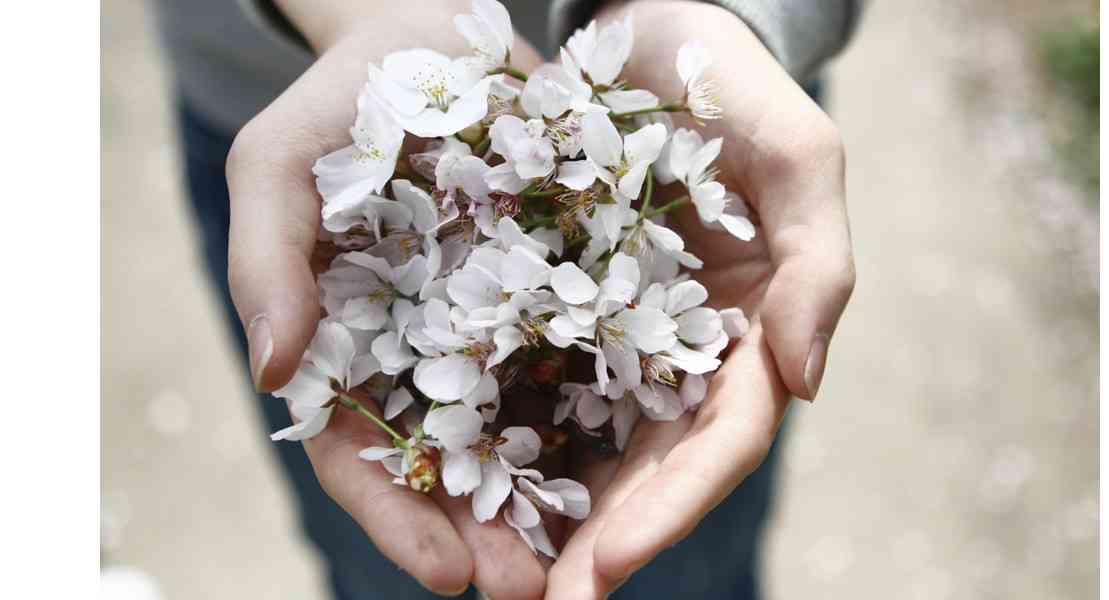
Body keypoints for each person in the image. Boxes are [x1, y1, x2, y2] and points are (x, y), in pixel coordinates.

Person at [153, 1, 859, 598]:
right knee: (387, 564)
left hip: (695, 93)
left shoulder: (631, 201)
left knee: (684, 564)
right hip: (292, 106)